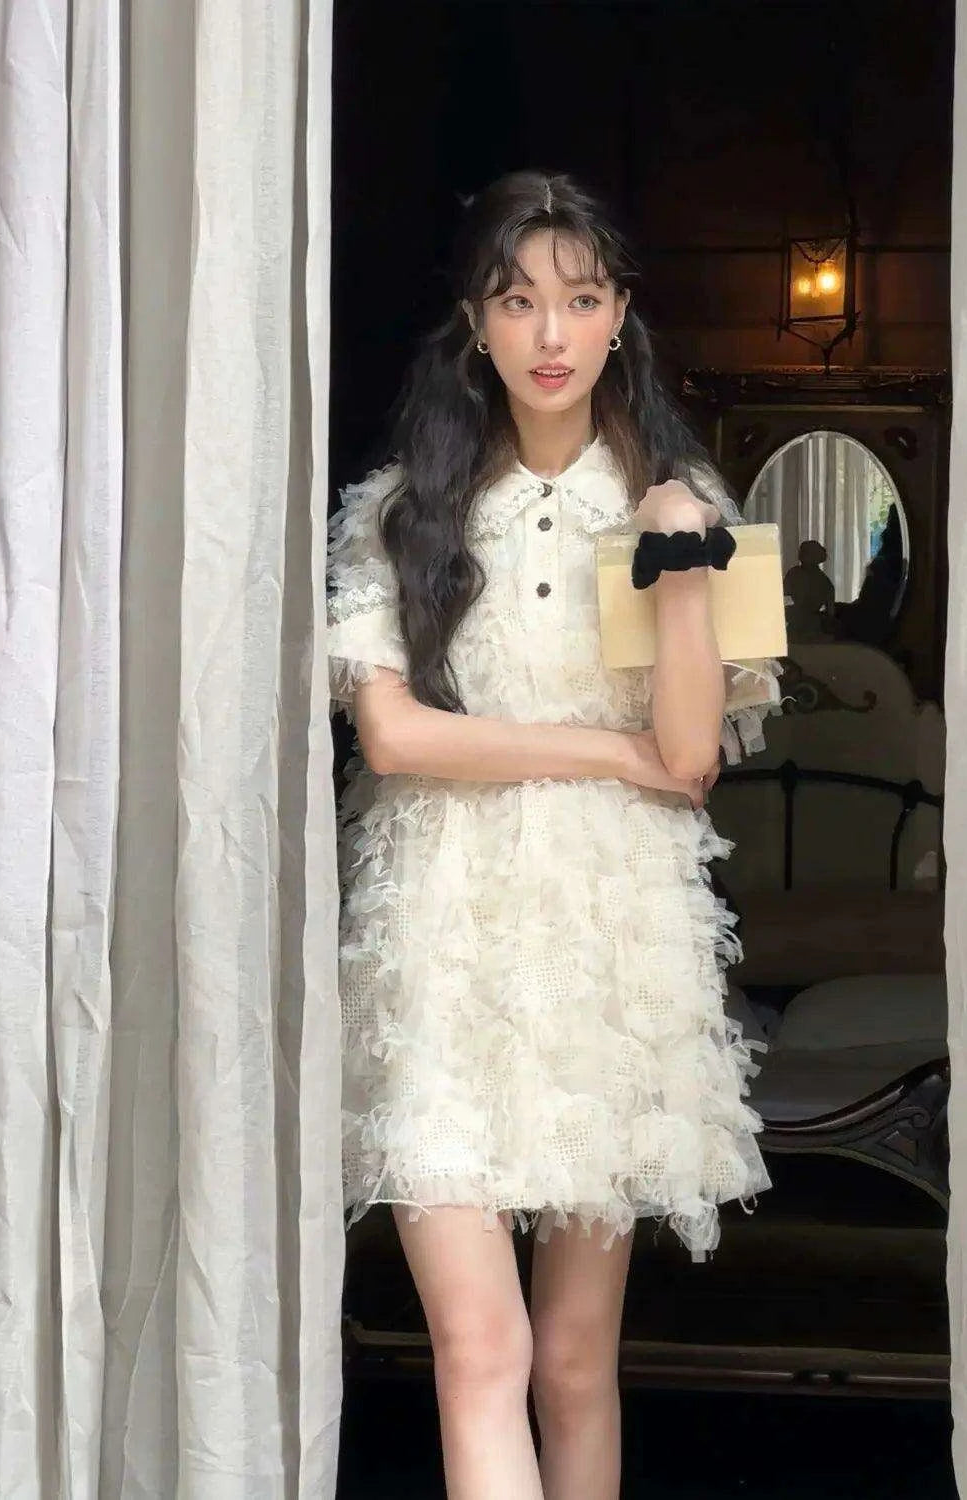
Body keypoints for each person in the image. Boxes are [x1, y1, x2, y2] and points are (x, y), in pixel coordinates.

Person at [326, 170, 777, 1500]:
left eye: (578, 300)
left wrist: (676, 556)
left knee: (576, 1361)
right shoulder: (401, 509)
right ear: (475, 322)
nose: (549, 333)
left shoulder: (680, 503)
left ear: (620, 313)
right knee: (484, 1347)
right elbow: (394, 737)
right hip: (440, 940)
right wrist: (607, 755)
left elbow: (688, 754)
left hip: (608, 942)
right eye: (517, 301)